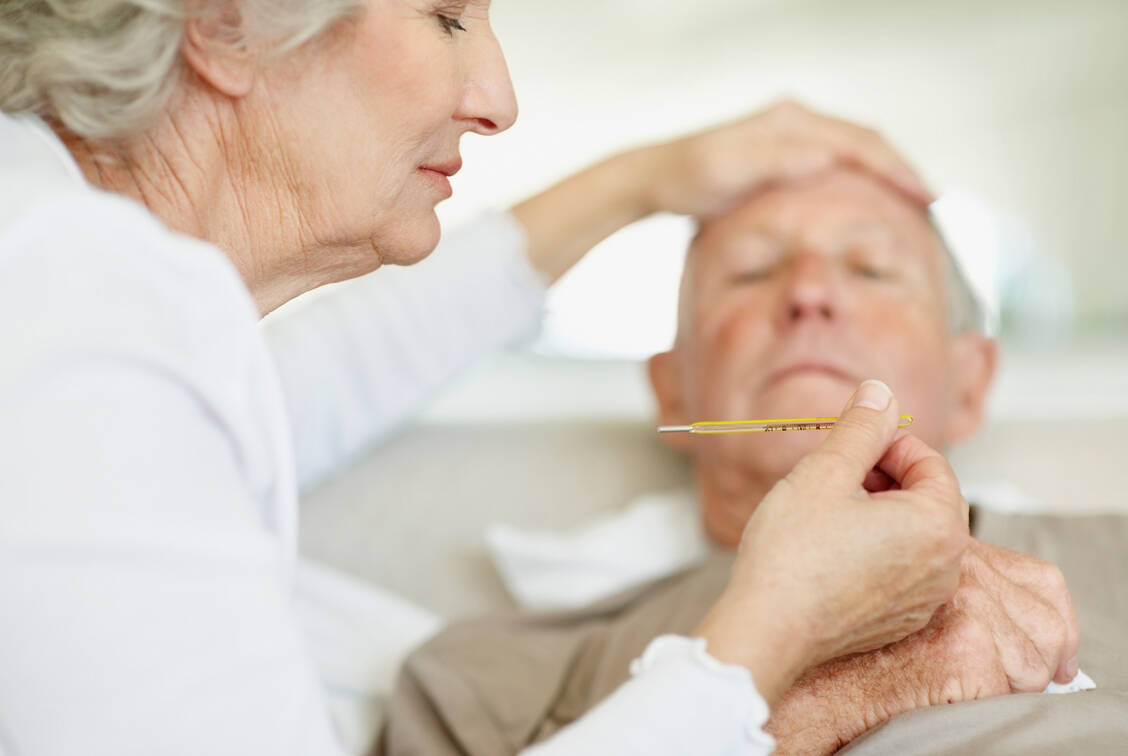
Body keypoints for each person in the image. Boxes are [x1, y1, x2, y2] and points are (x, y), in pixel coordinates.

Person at [0, 0, 964, 753]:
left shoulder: (96, 306)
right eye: (447, 17)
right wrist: (778, 630)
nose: (498, 99)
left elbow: (313, 382)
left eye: (872, 269)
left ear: (975, 377)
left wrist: (640, 181)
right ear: (225, 24)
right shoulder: (77, 321)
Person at [380, 167, 1128, 755]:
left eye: (870, 268)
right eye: (750, 271)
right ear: (673, 392)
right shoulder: (482, 680)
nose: (808, 292)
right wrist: (825, 708)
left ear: (972, 382)